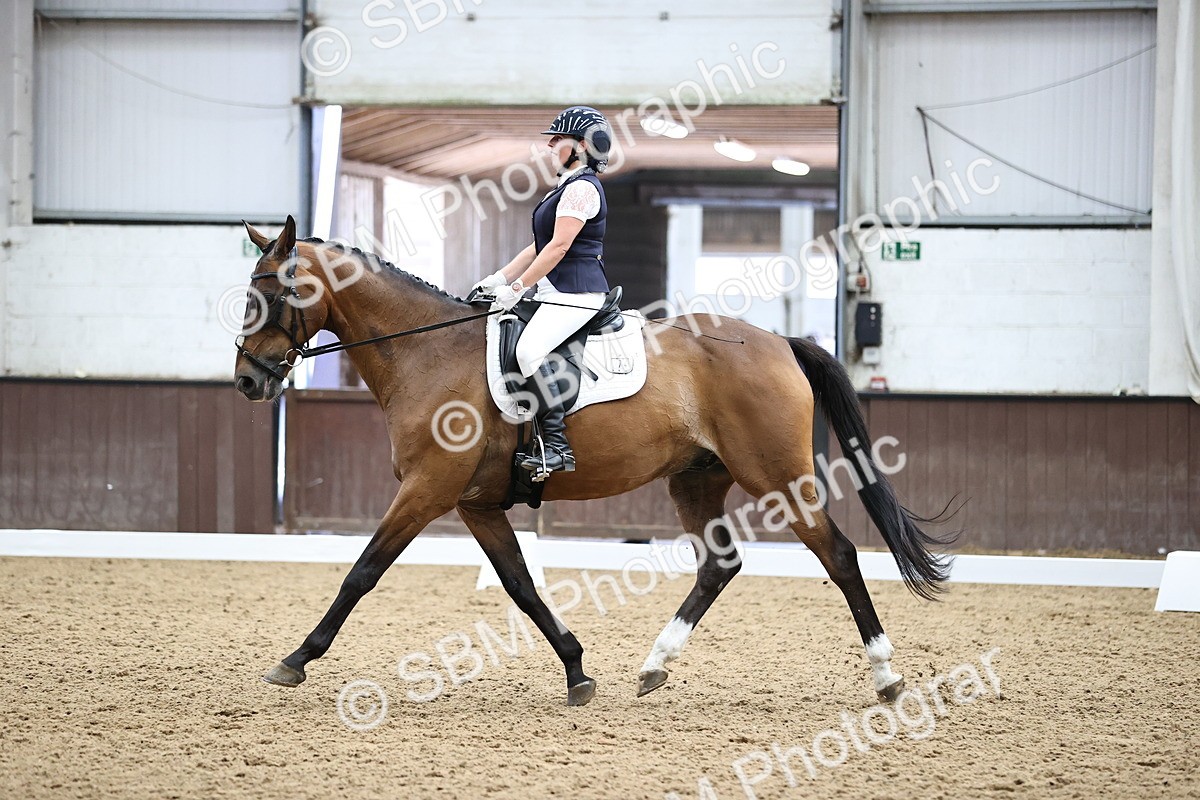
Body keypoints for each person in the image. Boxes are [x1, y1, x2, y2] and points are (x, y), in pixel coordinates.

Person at [472, 106, 613, 475]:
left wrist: (519, 288)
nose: (550, 146)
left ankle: (556, 447)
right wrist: (500, 279)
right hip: (557, 292)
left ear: (582, 145)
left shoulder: (582, 190)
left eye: (558, 139)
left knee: (529, 350)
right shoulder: (566, 187)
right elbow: (539, 245)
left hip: (577, 295)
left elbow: (559, 247)